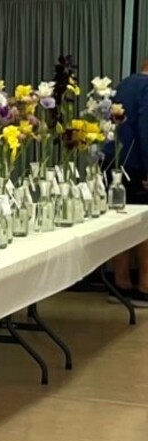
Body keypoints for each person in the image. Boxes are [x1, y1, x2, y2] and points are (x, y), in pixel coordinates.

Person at [112, 57, 148, 300]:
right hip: (137, 165)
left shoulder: (124, 84)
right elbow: (146, 131)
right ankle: (145, 286)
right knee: (144, 225)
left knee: (120, 224)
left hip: (114, 162)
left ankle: (120, 283)